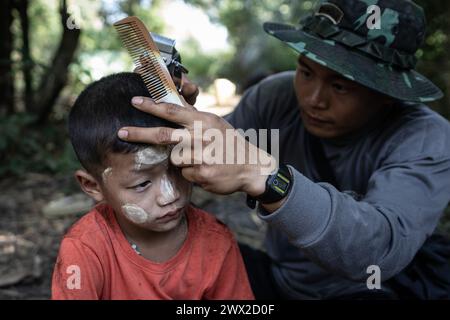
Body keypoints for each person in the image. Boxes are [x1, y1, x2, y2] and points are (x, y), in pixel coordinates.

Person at [117, 0, 450, 299]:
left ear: (387, 92)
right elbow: (218, 155)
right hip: (279, 281)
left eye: (340, 85)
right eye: (306, 72)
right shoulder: (276, 98)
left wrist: (264, 175)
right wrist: (179, 124)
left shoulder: (422, 138)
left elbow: (376, 251)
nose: (313, 98)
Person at [51, 72, 254, 300]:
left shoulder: (216, 243)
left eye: (178, 168)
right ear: (93, 186)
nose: (170, 195)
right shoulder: (85, 250)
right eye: (142, 183)